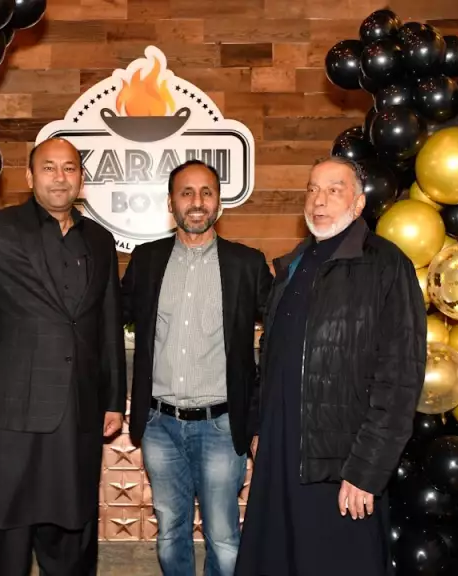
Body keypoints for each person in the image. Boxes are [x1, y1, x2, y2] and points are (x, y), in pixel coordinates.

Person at [235, 156, 426, 576]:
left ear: (358, 204)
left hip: (341, 464)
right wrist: (259, 426)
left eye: (334, 191)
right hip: (281, 452)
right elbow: (272, 354)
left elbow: (401, 378)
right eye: (313, 189)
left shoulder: (386, 265)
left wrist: (367, 471)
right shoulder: (293, 263)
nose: (319, 200)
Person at [0, 137, 127, 576]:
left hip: (78, 414)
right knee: (7, 537)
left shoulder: (100, 240)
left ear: (81, 179)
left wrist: (112, 399)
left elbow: (107, 321)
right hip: (11, 418)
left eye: (69, 168)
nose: (59, 177)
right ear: (30, 177)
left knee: (73, 535)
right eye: (48, 167)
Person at [120, 160, 272, 576]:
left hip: (221, 426)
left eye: (207, 192)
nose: (197, 201)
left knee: (224, 539)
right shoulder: (147, 260)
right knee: (170, 533)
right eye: (186, 192)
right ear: (171, 202)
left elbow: (281, 334)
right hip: (159, 426)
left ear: (219, 202)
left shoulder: (247, 264)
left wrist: (260, 416)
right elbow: (110, 316)